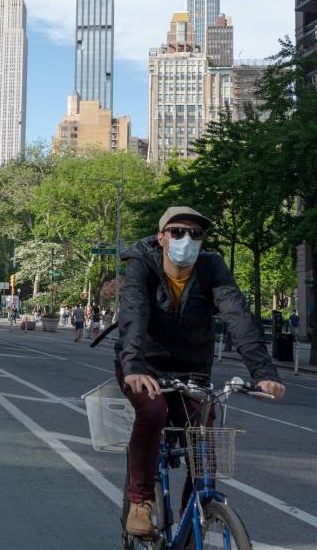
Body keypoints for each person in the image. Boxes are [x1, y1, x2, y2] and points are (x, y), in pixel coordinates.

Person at [115, 206, 286, 538]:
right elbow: (134, 314)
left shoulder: (212, 267)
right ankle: (140, 501)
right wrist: (133, 366)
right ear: (162, 238)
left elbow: (237, 316)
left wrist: (265, 372)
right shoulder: (142, 264)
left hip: (192, 370)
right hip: (144, 364)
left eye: (195, 234)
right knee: (153, 411)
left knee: (203, 434)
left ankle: (196, 516)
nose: (187, 239)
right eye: (178, 232)